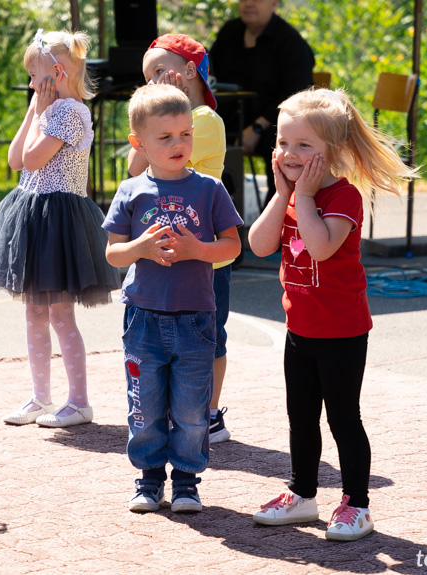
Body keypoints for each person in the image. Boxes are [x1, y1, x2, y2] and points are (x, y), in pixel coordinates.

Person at [248, 88, 418, 541]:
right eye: (284, 143)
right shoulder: (292, 194)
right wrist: (284, 193)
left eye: (305, 146)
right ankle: (303, 495)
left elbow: (320, 247)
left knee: (343, 418)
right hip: (298, 329)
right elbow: (260, 245)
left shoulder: (344, 197)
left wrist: (300, 196)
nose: (290, 153)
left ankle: (356, 505)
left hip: (342, 332)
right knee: (300, 417)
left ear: (332, 152)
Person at [103, 84, 243, 513]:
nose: (178, 144)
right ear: (138, 143)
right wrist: (141, 249)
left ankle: (185, 481)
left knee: (190, 408)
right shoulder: (130, 191)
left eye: (185, 134)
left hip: (195, 318)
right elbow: (113, 252)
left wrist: (198, 250)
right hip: (143, 317)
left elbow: (233, 245)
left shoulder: (209, 189)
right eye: (164, 138)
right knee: (144, 405)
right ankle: (148, 481)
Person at [0, 29, 120, 428]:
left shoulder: (70, 113)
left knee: (61, 313)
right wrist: (32, 110)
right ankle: (40, 397)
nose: (30, 84)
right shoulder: (48, 112)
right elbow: (14, 160)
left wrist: (40, 113)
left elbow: (33, 158)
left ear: (56, 74)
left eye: (34, 77)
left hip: (57, 220)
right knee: (34, 312)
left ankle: (78, 401)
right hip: (34, 215)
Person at [126, 33, 235, 444]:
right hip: (167, 253)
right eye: (146, 78)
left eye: (159, 72)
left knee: (208, 336)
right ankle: (182, 407)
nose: (152, 83)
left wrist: (158, 124)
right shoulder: (166, 125)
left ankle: (209, 413)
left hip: (205, 257)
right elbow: (136, 171)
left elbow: (148, 162)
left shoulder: (203, 120)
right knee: (167, 334)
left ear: (188, 72)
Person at [209, 0, 315, 205]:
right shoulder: (229, 33)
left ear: (274, 2)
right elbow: (210, 78)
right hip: (228, 119)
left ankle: (278, 218)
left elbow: (296, 95)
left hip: (271, 123)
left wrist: (257, 127)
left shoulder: (290, 42)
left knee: (280, 141)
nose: (249, 3)